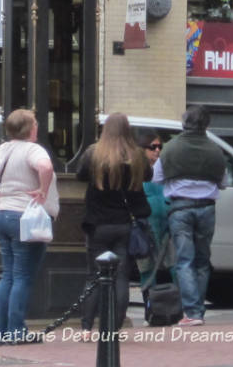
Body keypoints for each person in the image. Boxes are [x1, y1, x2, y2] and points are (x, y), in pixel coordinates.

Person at [0, 108, 59, 344]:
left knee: (8, 275)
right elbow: (45, 167)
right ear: (29, 128)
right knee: (23, 276)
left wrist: (1, 186)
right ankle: (17, 331)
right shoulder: (33, 149)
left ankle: (2, 331)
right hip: (25, 216)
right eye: (34, 123)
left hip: (2, 213)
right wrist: (43, 191)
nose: (37, 127)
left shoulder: (3, 148)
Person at [76, 112, 152, 339]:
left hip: (98, 223)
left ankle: (87, 329)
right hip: (125, 224)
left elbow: (80, 176)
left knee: (94, 277)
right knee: (121, 277)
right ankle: (112, 329)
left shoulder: (93, 153)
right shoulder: (137, 155)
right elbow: (148, 176)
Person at [153, 105, 227, 326]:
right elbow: (223, 183)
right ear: (207, 125)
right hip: (207, 208)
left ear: (184, 123)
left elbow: (156, 177)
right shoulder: (215, 150)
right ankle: (198, 311)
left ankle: (192, 312)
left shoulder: (170, 148)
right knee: (203, 261)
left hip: (180, 209)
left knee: (184, 261)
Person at [137, 131, 175, 311]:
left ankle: (176, 307)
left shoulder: (164, 169)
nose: (157, 150)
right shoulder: (137, 170)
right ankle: (150, 309)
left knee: (173, 265)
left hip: (167, 225)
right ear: (143, 148)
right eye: (153, 147)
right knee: (147, 269)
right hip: (146, 226)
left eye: (160, 147)